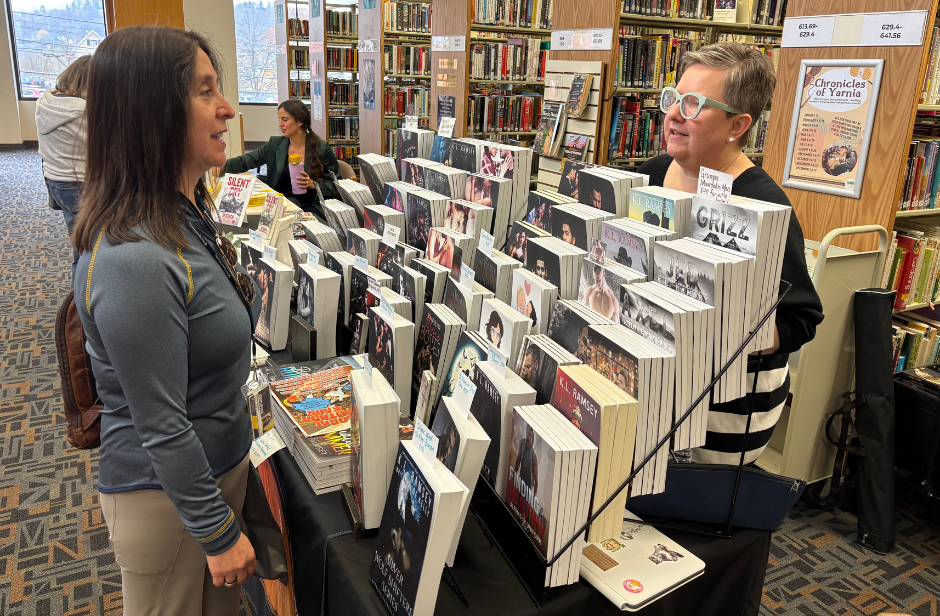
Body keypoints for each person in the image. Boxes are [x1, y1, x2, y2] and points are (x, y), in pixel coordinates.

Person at [71, 27, 259, 615]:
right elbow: (160, 423)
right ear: (153, 113)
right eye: (206, 92)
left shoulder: (180, 210)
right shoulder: (136, 257)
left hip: (202, 485)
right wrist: (218, 531)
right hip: (170, 504)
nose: (227, 108)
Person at [637, 41, 823, 464]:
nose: (671, 115)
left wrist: (723, 331)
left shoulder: (762, 205)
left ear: (737, 125)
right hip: (654, 379)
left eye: (692, 104)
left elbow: (802, 319)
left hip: (723, 411)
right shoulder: (648, 175)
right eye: (672, 98)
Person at [223, 99, 339, 218]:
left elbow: (337, 185)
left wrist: (313, 185)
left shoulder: (321, 148)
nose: (280, 124)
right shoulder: (275, 144)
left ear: (300, 121)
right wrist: (219, 167)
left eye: (285, 120)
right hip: (283, 204)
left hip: (311, 206)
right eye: (279, 119)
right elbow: (246, 161)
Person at [36, 55, 91, 281]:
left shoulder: (46, 102)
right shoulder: (82, 111)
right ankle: (83, 304)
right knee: (92, 250)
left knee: (80, 244)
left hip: (55, 181)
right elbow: (110, 145)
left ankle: (79, 303)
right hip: (80, 184)